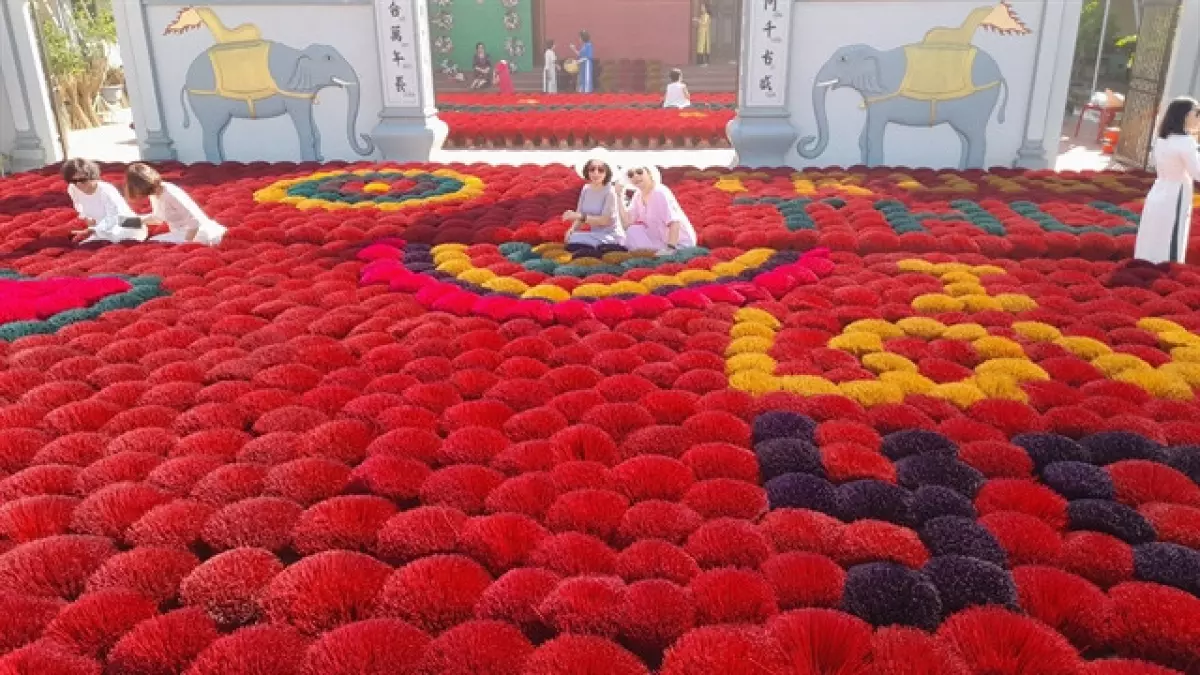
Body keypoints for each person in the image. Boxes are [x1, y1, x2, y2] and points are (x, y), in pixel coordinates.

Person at [1134, 96, 1200, 264]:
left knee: (1152, 236)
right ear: (1185, 115)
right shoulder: (1186, 142)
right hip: (1176, 194)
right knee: (1171, 239)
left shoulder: (1162, 139)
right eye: (1197, 113)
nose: (1199, 117)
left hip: (1159, 190)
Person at [125, 162, 226, 246]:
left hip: (197, 234)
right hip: (182, 233)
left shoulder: (169, 193)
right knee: (152, 242)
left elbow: (194, 222)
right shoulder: (155, 193)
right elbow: (158, 218)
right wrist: (127, 222)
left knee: (154, 244)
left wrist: (186, 246)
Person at [615, 164, 697, 254]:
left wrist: (670, 248)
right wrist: (619, 196)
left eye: (639, 172)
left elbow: (675, 222)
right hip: (658, 240)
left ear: (649, 173)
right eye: (630, 175)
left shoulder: (659, 192)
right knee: (632, 230)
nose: (635, 176)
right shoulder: (638, 195)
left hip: (678, 243)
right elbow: (627, 223)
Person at [61, 158, 143, 244]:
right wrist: (86, 217)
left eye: (83, 180)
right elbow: (78, 205)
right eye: (74, 181)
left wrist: (93, 230)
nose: (78, 184)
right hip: (101, 228)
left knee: (108, 242)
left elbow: (114, 217)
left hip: (125, 225)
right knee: (84, 245)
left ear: (93, 177)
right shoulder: (73, 188)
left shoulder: (105, 190)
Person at [563, 151, 624, 248]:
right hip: (595, 235)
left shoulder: (610, 192)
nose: (596, 173)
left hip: (611, 237)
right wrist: (572, 230)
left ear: (607, 173)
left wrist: (578, 216)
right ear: (587, 171)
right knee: (572, 238)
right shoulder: (586, 189)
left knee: (576, 241)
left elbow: (605, 221)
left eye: (601, 170)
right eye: (592, 169)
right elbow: (579, 214)